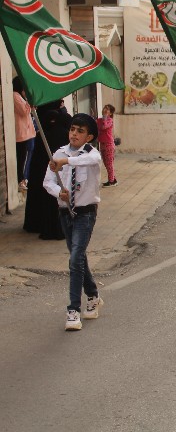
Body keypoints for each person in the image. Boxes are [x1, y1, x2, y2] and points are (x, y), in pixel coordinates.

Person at [43, 113, 104, 331]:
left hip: (85, 213)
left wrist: (66, 161)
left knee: (75, 257)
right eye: (72, 129)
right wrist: (59, 192)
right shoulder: (58, 153)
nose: (74, 134)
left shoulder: (92, 154)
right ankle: (94, 294)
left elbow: (88, 161)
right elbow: (47, 181)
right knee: (77, 257)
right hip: (65, 213)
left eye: (80, 131)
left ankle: (73, 310)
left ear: (89, 137)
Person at [24, 101, 71, 240]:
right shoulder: (64, 133)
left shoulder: (42, 135)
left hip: (45, 175)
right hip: (56, 174)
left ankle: (42, 225)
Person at [13, 77, 36, 191]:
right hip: (21, 133)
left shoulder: (19, 96)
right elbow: (24, 111)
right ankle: (21, 179)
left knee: (24, 157)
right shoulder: (15, 96)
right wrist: (29, 102)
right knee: (22, 157)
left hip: (27, 132)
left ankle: (23, 179)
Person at [96, 104, 118, 187]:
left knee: (109, 163)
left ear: (111, 113)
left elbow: (104, 127)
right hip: (102, 143)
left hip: (108, 144)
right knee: (106, 163)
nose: (105, 110)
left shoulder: (109, 120)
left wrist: (105, 118)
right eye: (105, 108)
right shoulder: (99, 120)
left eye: (108, 109)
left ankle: (111, 181)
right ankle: (113, 179)